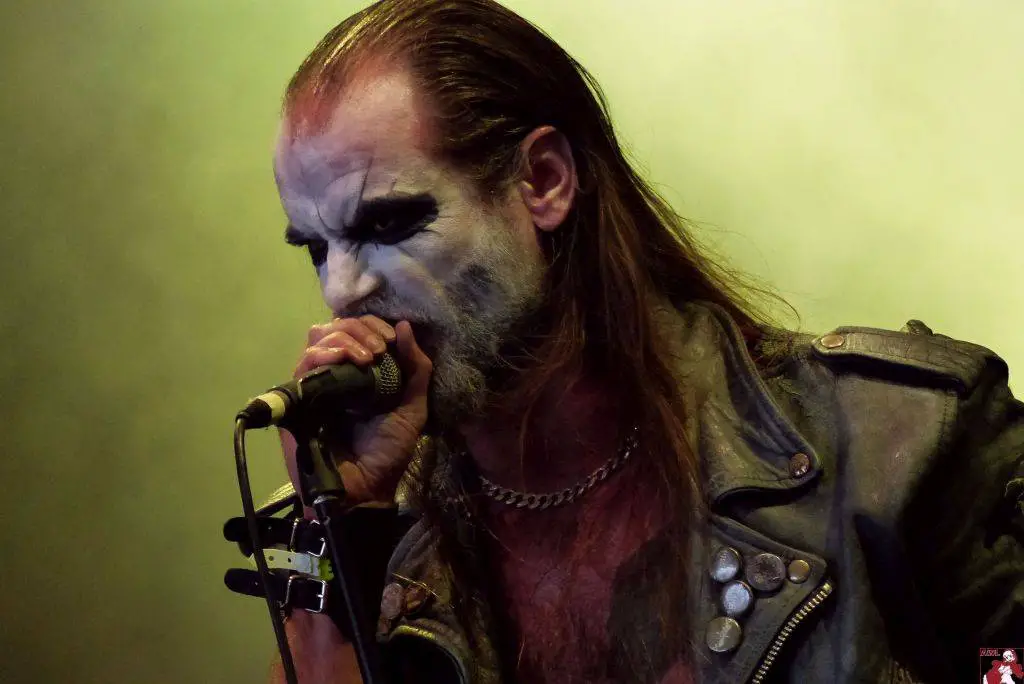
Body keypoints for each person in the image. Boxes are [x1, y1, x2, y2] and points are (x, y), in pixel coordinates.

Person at [262, 1, 1024, 682]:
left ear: (544, 181)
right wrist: (335, 530)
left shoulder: (898, 441)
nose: (342, 289)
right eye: (317, 248)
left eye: (389, 222)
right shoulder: (370, 529)